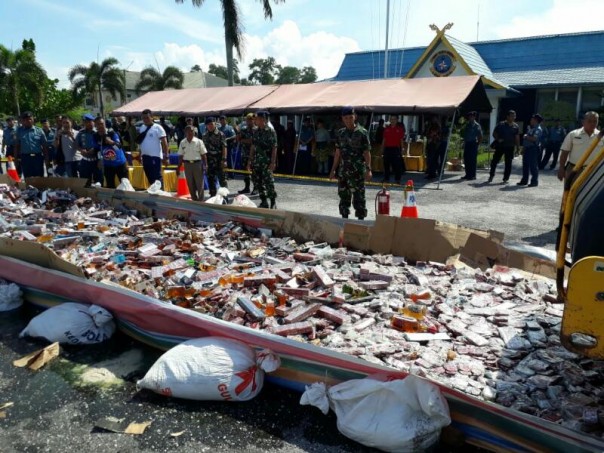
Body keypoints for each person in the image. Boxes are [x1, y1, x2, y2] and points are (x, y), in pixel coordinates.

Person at [329, 106, 372, 220]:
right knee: (344, 199)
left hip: (358, 173)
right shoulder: (340, 133)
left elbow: (367, 153)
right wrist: (333, 170)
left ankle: (361, 224)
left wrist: (368, 169)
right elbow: (337, 154)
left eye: (350, 117)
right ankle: (344, 222)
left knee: (359, 200)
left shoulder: (362, 132)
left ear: (355, 117)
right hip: (343, 173)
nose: (348, 120)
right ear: (342, 119)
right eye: (346, 118)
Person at [557, 111, 603, 183]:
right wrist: (561, 168)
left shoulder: (601, 136)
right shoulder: (573, 134)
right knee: (571, 193)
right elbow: (565, 152)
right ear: (583, 122)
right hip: (574, 170)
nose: (592, 123)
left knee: (591, 193)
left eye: (595, 121)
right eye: (589, 121)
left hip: (594, 171)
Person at [248, 111, 277, 209]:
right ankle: (264, 201)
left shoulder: (270, 131)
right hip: (256, 162)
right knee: (258, 182)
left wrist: (273, 162)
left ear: (263, 119)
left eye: (257, 119)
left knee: (269, 183)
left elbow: (274, 147)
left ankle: (273, 202)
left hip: (267, 162)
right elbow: (253, 146)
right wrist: (250, 160)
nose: (255, 121)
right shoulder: (255, 131)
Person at [93, 118, 129, 189]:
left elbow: (118, 147)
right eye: (98, 124)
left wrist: (111, 142)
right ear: (95, 125)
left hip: (120, 164)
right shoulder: (95, 136)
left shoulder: (112, 133)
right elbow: (97, 150)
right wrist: (99, 159)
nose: (100, 126)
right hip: (108, 165)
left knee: (125, 185)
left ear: (105, 124)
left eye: (101, 124)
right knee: (110, 186)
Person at [138, 109, 169, 188]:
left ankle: (161, 194)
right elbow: (141, 143)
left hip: (155, 157)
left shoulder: (158, 128)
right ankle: (154, 193)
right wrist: (140, 154)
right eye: (143, 118)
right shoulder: (142, 127)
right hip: (145, 157)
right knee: (150, 177)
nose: (145, 120)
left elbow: (164, 143)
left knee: (157, 178)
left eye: (147, 118)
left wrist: (166, 156)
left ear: (152, 117)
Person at [489, 110, 520, 183]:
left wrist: (518, 147)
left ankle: (506, 178)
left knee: (508, 163)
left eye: (514, 116)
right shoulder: (501, 124)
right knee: (494, 161)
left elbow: (517, 137)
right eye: (512, 116)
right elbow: (494, 133)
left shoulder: (516, 126)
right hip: (500, 146)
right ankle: (491, 175)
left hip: (510, 147)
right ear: (507, 116)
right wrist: (498, 139)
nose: (513, 117)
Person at [178, 125, 208, 201]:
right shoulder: (182, 142)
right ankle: (194, 199)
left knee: (199, 184)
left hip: (197, 164)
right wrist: (178, 167)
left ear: (194, 132)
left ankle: (201, 200)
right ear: (185, 132)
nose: (190, 132)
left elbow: (203, 155)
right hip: (187, 165)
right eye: (188, 131)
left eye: (192, 131)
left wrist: (205, 165)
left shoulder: (199, 141)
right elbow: (181, 156)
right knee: (190, 184)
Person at [15, 111, 49, 178]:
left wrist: (46, 158)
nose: (28, 121)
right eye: (26, 119)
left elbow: (44, 146)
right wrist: (16, 159)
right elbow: (17, 146)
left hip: (37, 157)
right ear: (23, 121)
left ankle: (39, 188)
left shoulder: (39, 130)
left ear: (33, 119)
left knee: (39, 176)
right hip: (25, 157)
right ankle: (29, 188)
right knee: (27, 177)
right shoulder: (19, 131)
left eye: (30, 119)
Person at [202, 117, 227, 197]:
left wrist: (224, 159)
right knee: (211, 180)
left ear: (215, 124)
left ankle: (224, 197)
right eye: (208, 124)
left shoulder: (220, 134)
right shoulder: (204, 135)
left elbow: (224, 147)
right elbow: (203, 149)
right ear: (206, 126)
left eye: (211, 124)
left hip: (219, 160)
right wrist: (204, 162)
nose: (210, 126)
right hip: (209, 161)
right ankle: (213, 196)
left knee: (222, 180)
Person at [517, 114, 543, 187]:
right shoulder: (531, 128)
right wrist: (523, 148)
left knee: (533, 166)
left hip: (533, 149)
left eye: (532, 119)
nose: (531, 120)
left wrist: (526, 136)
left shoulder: (538, 129)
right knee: (525, 165)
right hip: (527, 148)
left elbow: (534, 139)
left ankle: (534, 181)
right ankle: (524, 180)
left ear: (536, 120)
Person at [77, 113, 103, 186]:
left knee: (98, 183)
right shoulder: (81, 133)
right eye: (86, 122)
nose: (88, 123)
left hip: (96, 160)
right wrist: (81, 150)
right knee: (85, 183)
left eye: (90, 121)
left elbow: (102, 146)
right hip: (85, 161)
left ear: (93, 122)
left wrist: (95, 150)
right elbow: (76, 144)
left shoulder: (98, 132)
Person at [382, 114, 406, 184]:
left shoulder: (400, 129)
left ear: (397, 120)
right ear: (390, 120)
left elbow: (401, 140)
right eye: (391, 119)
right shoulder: (386, 129)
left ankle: (397, 179)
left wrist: (402, 148)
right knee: (386, 164)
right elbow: (384, 140)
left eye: (394, 119)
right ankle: (386, 179)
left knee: (397, 165)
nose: (393, 121)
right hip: (387, 148)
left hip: (396, 149)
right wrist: (382, 148)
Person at [237, 113, 257, 194]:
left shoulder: (256, 130)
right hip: (244, 154)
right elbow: (238, 139)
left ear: (254, 120)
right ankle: (247, 187)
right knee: (245, 172)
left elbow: (253, 141)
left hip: (254, 155)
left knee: (254, 172)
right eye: (247, 120)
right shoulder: (244, 129)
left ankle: (256, 188)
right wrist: (238, 132)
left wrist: (243, 140)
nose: (249, 121)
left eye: (250, 120)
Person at [461, 111, 483, 181]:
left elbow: (480, 136)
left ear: (474, 117)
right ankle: (467, 174)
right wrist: (464, 143)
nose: (470, 118)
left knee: (472, 160)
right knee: (466, 159)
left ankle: (473, 175)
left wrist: (477, 144)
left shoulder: (477, 125)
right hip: (467, 143)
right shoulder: (467, 125)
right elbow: (465, 135)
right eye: (469, 116)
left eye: (472, 116)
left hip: (473, 143)